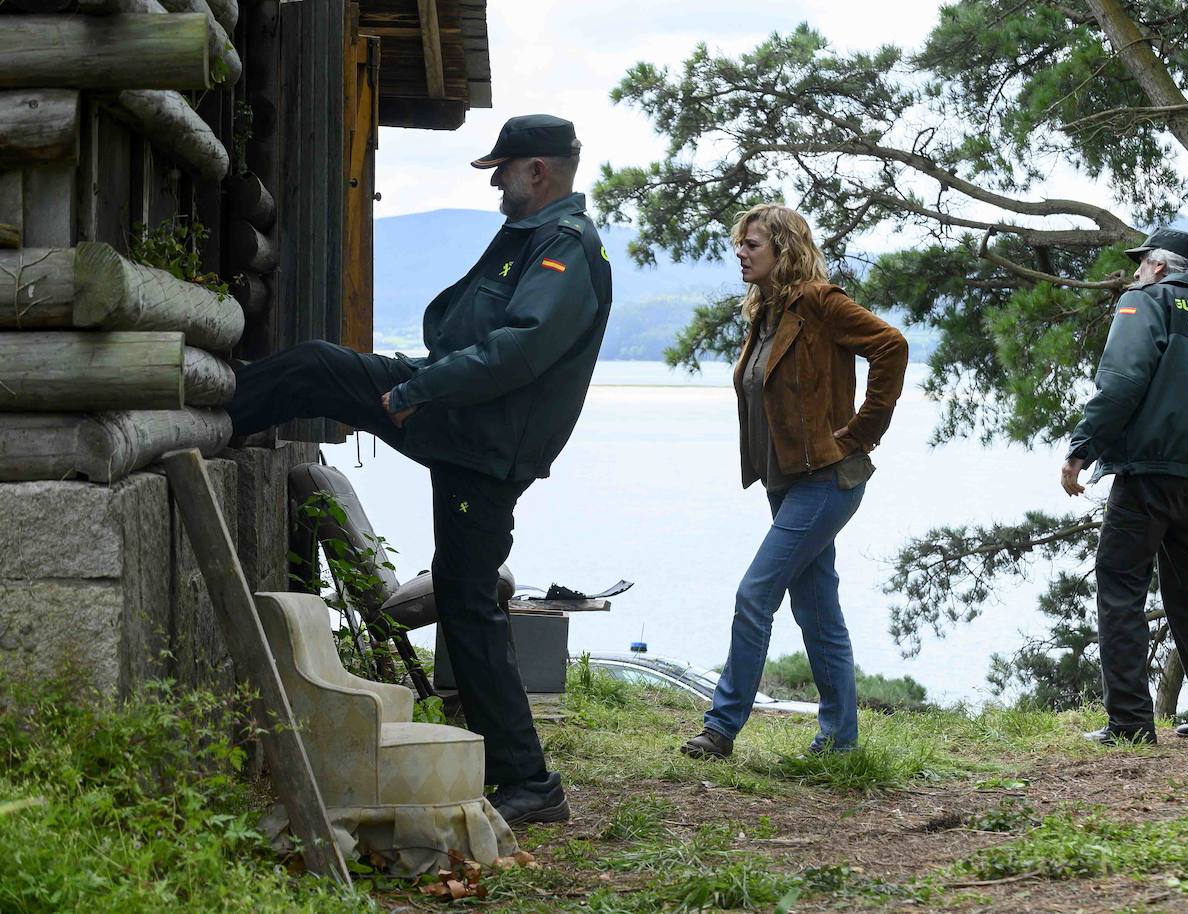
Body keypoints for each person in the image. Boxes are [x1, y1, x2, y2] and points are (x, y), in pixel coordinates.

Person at [228, 114, 612, 823]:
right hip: (462, 423)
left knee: (466, 603)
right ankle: (527, 781)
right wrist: (423, 382)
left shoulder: (564, 248)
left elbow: (517, 352)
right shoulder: (537, 238)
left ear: (539, 171)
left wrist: (414, 390)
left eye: (503, 168)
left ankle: (212, 415)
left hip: (474, 437)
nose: (495, 180)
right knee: (319, 370)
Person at [681, 204, 907, 760]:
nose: (740, 253)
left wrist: (862, 431)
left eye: (752, 245)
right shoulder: (766, 311)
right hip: (784, 482)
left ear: (784, 249)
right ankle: (840, 741)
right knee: (817, 610)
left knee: (755, 593)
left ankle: (721, 727)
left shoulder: (818, 302)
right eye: (740, 244)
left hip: (828, 478)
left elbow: (891, 346)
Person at [1061, 228, 1188, 745]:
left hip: (1147, 471)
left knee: (1120, 583)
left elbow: (1123, 381)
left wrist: (1082, 447)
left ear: (1160, 266)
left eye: (1141, 263)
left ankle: (1128, 722)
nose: (1134, 273)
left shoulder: (1145, 303)